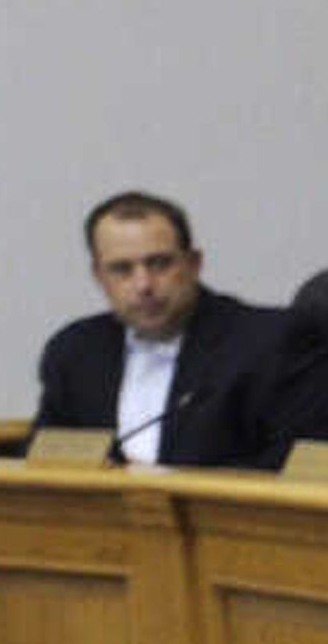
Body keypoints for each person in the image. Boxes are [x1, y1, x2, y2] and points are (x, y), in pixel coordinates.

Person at [34, 192, 288, 467]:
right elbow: (43, 458)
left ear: (193, 264)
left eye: (159, 264)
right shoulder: (75, 351)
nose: (143, 285)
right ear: (99, 276)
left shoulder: (267, 342)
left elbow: (291, 462)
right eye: (122, 269)